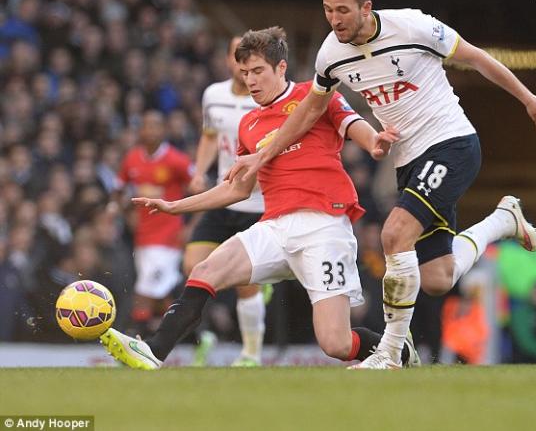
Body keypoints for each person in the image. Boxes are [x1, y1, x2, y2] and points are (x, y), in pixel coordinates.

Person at [229, 0, 536, 368]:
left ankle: (389, 353)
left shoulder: (413, 26)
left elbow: (476, 58)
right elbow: (310, 109)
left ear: (367, 7)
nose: (334, 19)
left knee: (394, 234)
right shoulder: (331, 53)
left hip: (451, 143)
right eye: (328, 9)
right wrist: (265, 153)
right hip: (409, 161)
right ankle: (503, 220)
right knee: (437, 277)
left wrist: (529, 98)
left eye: (343, 10)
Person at [99, 27, 408, 369]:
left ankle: (399, 351)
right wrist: (176, 207)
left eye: (258, 71)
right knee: (205, 268)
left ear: (280, 68)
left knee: (334, 343)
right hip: (274, 227)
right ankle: (153, 351)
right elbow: (236, 189)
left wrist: (374, 142)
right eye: (244, 73)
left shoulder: (316, 97)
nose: (250, 80)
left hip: (324, 226)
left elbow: (354, 126)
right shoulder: (248, 123)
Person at [185, 36, 269, 367]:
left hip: (258, 204)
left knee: (245, 284)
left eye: (250, 57)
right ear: (227, 60)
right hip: (223, 198)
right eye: (238, 55)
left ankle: (251, 353)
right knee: (192, 265)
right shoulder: (213, 95)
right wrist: (198, 171)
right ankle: (205, 331)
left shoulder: (268, 99)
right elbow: (210, 136)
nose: (242, 63)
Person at [113, 110, 193, 336]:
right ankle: (192, 333)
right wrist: (125, 212)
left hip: (168, 238)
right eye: (147, 126)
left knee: (144, 292)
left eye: (156, 126)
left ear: (163, 130)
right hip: (142, 237)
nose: (151, 130)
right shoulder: (132, 159)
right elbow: (118, 190)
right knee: (159, 295)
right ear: (141, 130)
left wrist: (190, 226)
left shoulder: (176, 160)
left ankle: (137, 340)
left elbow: (200, 188)